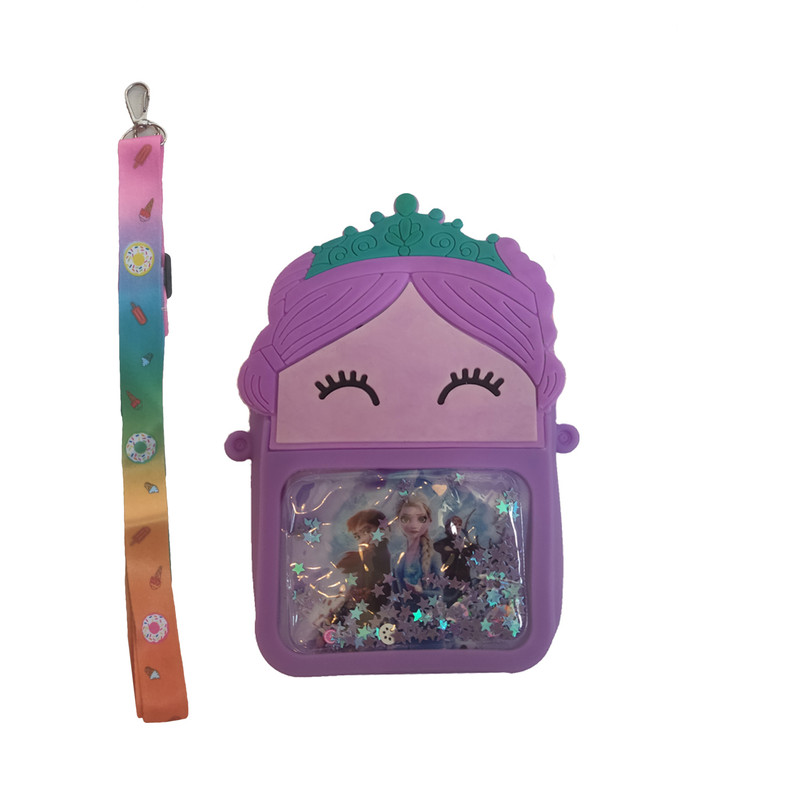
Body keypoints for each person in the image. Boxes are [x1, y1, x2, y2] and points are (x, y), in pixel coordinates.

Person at [394, 496, 440, 592]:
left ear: (429, 521)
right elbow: (395, 590)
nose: (413, 525)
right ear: (397, 521)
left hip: (426, 602)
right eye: (405, 519)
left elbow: (439, 592)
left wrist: (421, 592)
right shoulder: (397, 557)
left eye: (421, 519)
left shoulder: (433, 556)